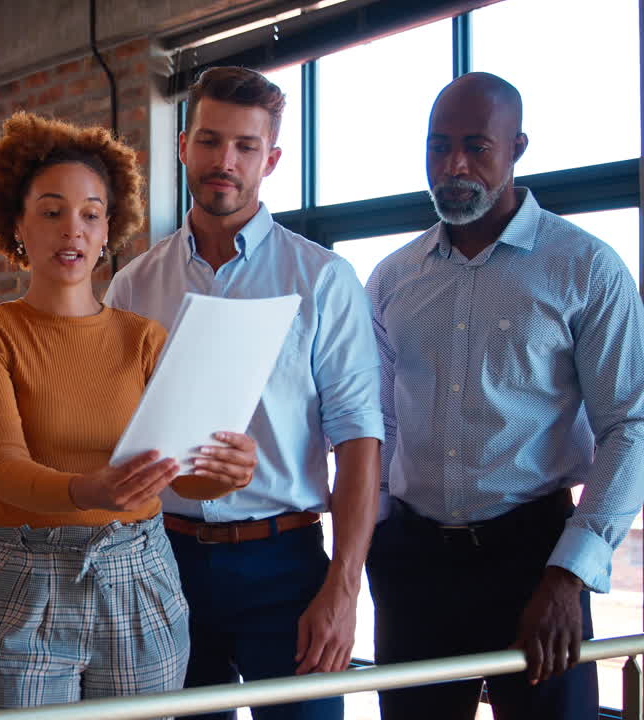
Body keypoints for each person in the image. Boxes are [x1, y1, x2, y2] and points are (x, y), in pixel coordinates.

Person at [0, 111, 259, 712]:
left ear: (108, 228)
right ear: (16, 224)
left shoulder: (143, 338)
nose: (73, 229)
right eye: (51, 211)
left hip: (139, 573)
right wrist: (90, 488)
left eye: (91, 213)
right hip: (26, 578)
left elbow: (178, 471)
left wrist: (228, 470)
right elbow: (4, 469)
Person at [104, 67, 384, 720]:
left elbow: (360, 439)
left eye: (245, 146)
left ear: (272, 158)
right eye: (209, 141)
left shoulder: (323, 281)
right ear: (182, 146)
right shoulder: (134, 287)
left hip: (285, 569)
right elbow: (113, 436)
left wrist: (343, 592)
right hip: (163, 562)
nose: (223, 161)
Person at [364, 72, 644, 720]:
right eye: (437, 147)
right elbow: (375, 423)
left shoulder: (585, 268)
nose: (453, 165)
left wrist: (569, 575)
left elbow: (629, 426)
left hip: (534, 562)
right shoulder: (390, 279)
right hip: (414, 567)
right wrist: (372, 544)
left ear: (517, 147)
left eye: (475, 147)